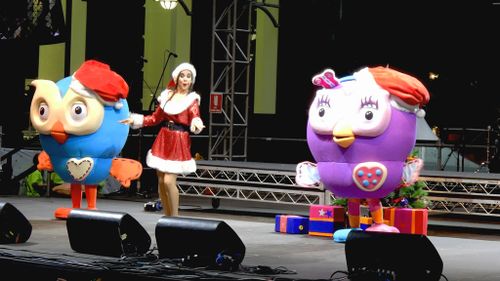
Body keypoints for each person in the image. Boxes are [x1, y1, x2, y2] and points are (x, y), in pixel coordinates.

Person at [120, 62, 204, 216]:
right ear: (177, 78)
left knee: (168, 181)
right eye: (183, 76)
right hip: (164, 139)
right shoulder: (167, 96)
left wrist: (196, 123)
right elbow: (154, 118)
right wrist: (135, 120)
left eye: (189, 76)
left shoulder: (192, 100)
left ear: (192, 80)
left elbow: (195, 116)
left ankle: (175, 217)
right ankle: (167, 216)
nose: (185, 79)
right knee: (160, 181)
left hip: (179, 141)